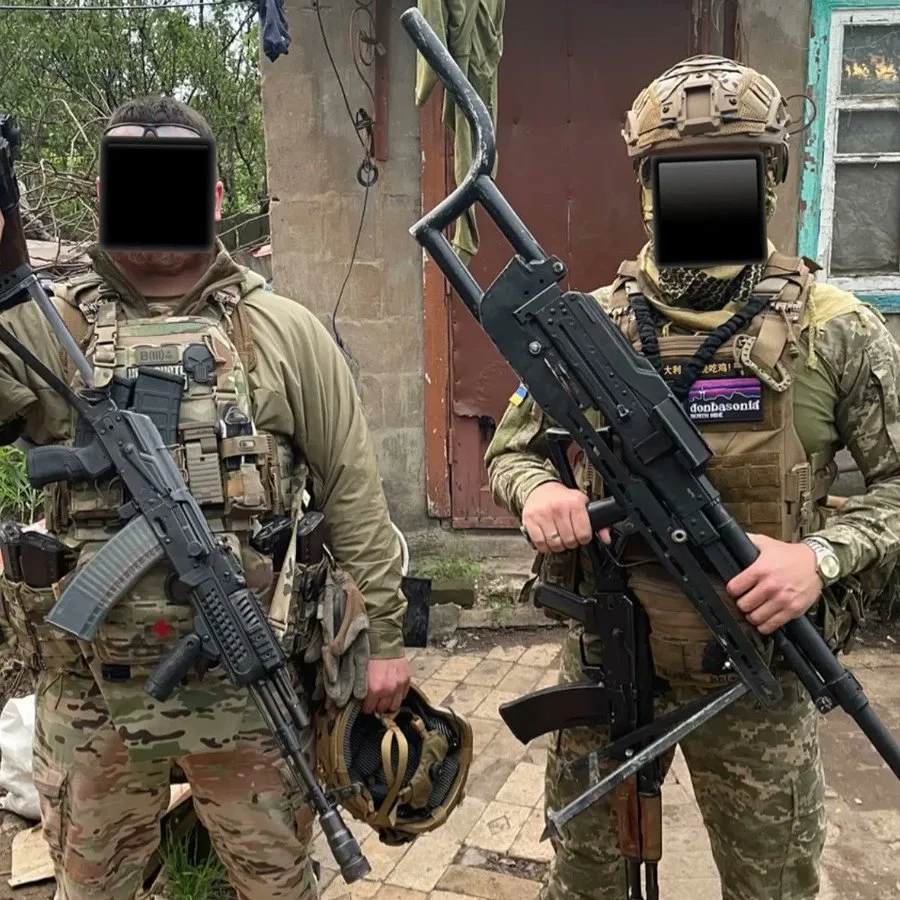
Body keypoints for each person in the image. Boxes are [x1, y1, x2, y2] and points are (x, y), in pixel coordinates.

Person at [485, 55, 900, 900]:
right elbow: (511, 452)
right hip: (609, 652)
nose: (701, 196)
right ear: (646, 186)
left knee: (773, 886)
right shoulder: (591, 326)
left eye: (728, 173)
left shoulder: (836, 331)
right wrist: (543, 494)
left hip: (757, 670)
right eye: (677, 177)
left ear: (770, 177)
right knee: (588, 879)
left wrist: (817, 558)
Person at [0, 96, 410, 899]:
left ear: (217, 197)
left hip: (250, 694)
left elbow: (354, 492)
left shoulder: (283, 329)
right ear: (102, 196)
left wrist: (384, 640)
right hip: (91, 702)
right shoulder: (48, 328)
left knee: (277, 886)